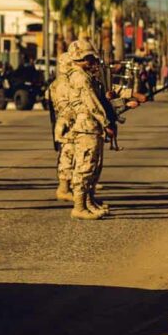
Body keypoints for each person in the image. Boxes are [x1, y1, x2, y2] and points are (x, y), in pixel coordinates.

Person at [64, 40, 111, 220]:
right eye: (90, 58)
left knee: (91, 166)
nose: (93, 61)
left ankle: (87, 203)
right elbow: (92, 103)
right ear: (82, 57)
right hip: (86, 127)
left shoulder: (82, 75)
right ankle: (79, 207)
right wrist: (106, 122)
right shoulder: (80, 77)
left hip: (90, 125)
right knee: (84, 167)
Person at [48, 50, 76, 202]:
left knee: (72, 155)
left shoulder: (66, 81)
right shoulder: (63, 83)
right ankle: (64, 188)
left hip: (70, 121)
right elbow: (65, 107)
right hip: (67, 123)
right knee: (67, 154)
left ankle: (71, 185)